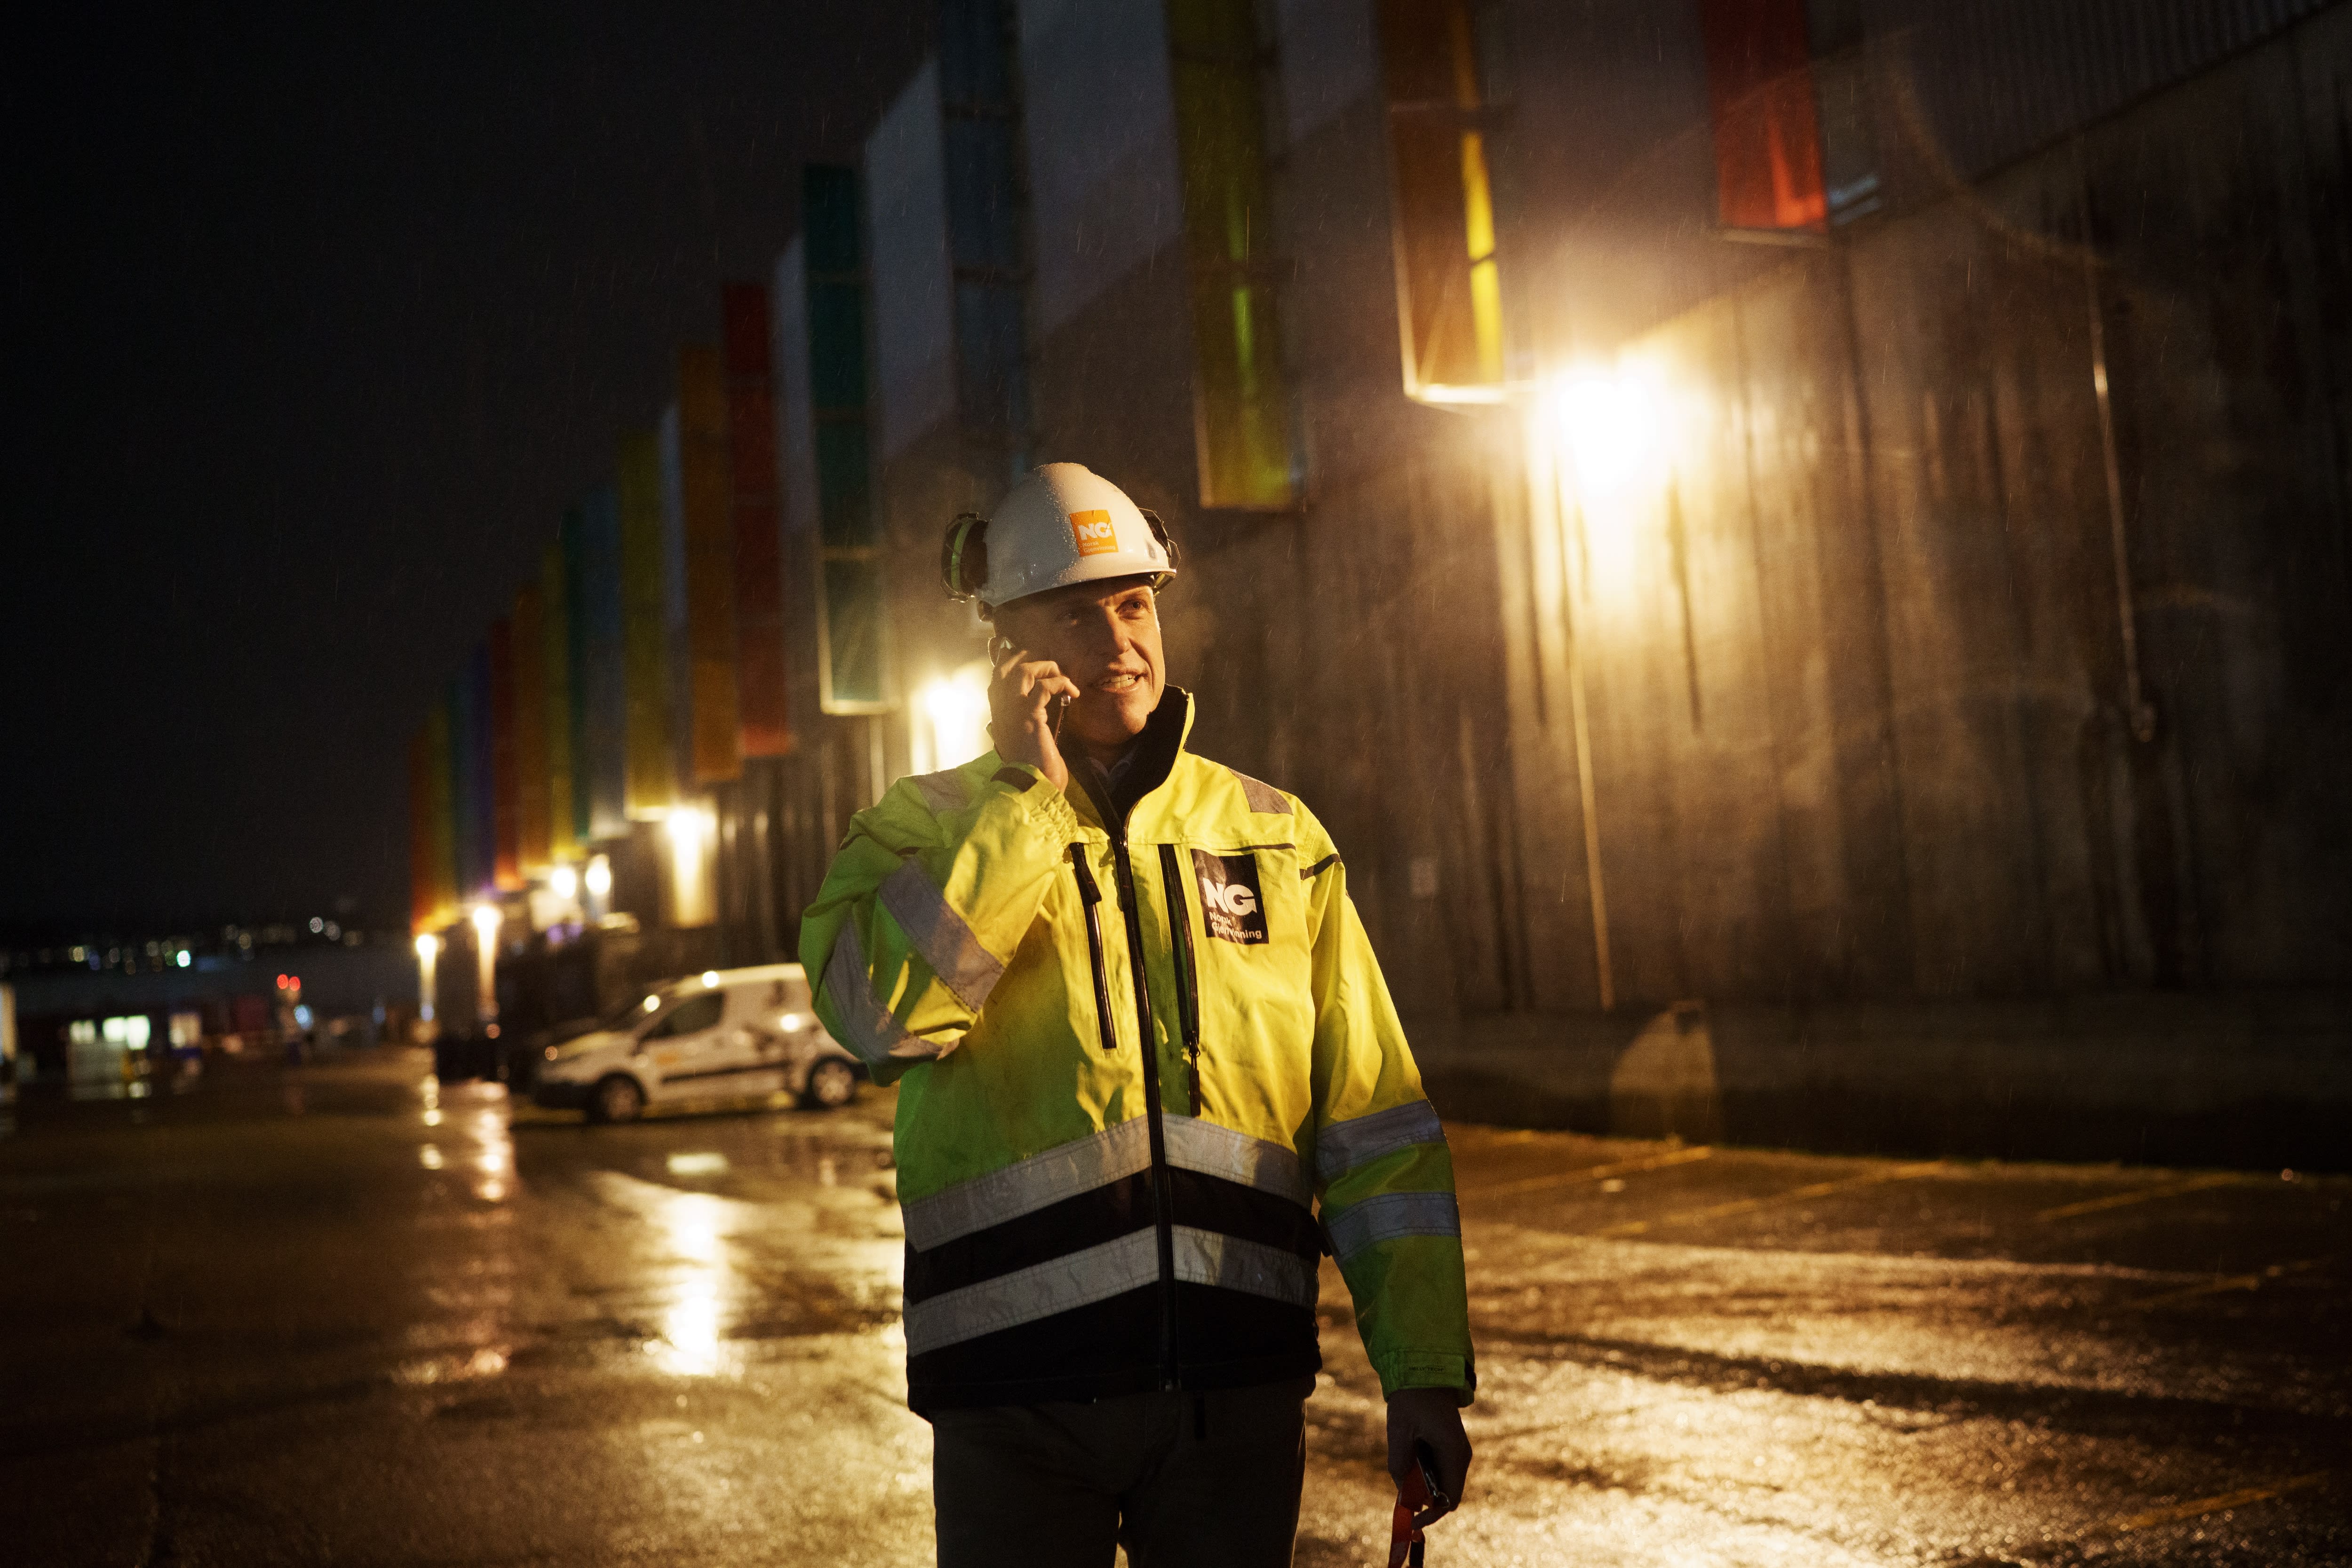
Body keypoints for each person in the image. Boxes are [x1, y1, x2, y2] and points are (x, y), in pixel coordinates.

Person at [800, 463, 1473, 1567]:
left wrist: (1423, 1375)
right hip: (1014, 1402)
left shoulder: (1275, 835)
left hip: (1233, 1397)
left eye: (1133, 603)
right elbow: (880, 1017)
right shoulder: (919, 828)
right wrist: (1024, 801)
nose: (1118, 639)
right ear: (1007, 646)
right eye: (1075, 613)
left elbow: (1376, 1128)